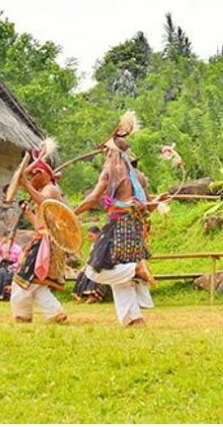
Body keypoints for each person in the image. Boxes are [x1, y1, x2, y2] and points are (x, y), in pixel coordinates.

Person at [75, 112, 161, 327]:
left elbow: (94, 197)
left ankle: (136, 269)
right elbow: (149, 206)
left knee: (97, 269)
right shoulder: (138, 176)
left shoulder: (111, 169)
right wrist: (160, 200)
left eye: (106, 151)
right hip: (134, 226)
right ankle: (134, 320)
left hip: (119, 225)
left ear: (111, 151)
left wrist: (72, 213)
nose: (105, 155)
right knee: (116, 275)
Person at [10, 139, 68, 324]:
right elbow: (39, 223)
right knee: (35, 283)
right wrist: (28, 212)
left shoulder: (50, 189)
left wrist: (25, 184)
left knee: (23, 279)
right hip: (42, 238)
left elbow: (44, 202)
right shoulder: (44, 191)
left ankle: (23, 315)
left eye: (35, 174)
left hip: (46, 242)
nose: (32, 178)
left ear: (43, 174)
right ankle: (54, 313)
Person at [72, 227, 110, 303]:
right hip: (93, 265)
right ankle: (82, 296)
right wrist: (85, 267)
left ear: (98, 234)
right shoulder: (93, 245)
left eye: (91, 236)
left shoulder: (104, 243)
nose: (90, 238)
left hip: (103, 266)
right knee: (82, 274)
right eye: (89, 236)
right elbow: (90, 258)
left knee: (94, 273)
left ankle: (94, 296)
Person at [0, 229, 21, 301]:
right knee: (0, 273)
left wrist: (13, 266)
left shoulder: (17, 248)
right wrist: (1, 243)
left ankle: (0, 294)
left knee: (4, 274)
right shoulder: (3, 246)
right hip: (3, 264)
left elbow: (19, 261)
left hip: (12, 265)